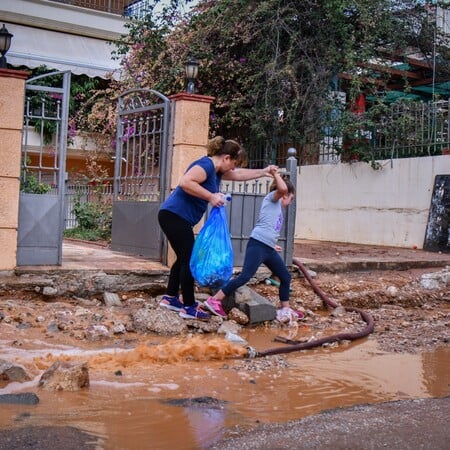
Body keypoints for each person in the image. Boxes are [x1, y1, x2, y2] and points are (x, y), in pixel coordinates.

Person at [158, 136, 278, 320]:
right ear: (226, 158)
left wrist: (263, 172)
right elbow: (186, 182)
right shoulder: (206, 165)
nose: (233, 168)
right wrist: (211, 196)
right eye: (233, 164)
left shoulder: (217, 171)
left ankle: (170, 297)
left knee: (183, 257)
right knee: (189, 259)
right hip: (174, 216)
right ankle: (189, 307)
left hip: (174, 216)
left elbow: (239, 175)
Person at [204, 169, 298, 322]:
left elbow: (269, 226)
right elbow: (282, 188)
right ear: (286, 195)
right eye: (291, 198)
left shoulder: (277, 208)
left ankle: (284, 310)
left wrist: (272, 244)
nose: (290, 202)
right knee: (245, 276)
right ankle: (214, 300)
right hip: (258, 245)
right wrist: (276, 175)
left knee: (285, 276)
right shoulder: (272, 199)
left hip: (267, 247)